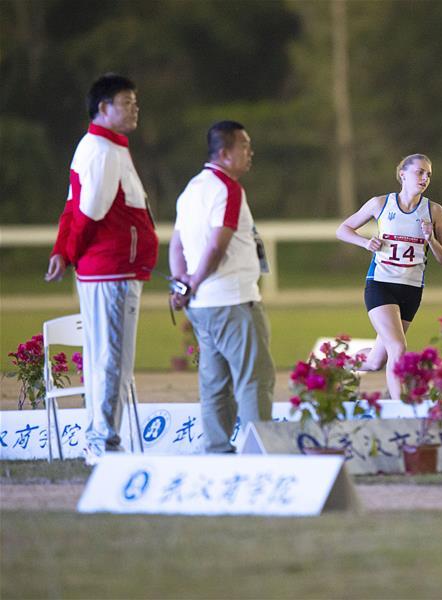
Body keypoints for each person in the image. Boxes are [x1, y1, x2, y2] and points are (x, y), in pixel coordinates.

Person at [45, 74, 158, 464]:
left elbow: (71, 208)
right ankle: (103, 442)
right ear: (103, 108)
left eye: (135, 101)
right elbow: (89, 211)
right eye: (127, 102)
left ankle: (97, 437)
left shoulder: (97, 146)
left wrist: (63, 251)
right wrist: (70, 252)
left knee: (100, 357)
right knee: (113, 360)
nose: (134, 108)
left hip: (105, 270)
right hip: (112, 270)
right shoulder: (105, 150)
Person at [168, 121, 275, 453]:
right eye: (245, 146)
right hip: (233, 300)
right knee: (254, 379)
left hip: (202, 306)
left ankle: (216, 450)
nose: (250, 153)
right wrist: (195, 281)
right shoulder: (227, 188)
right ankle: (260, 452)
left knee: (214, 383)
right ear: (225, 153)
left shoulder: (191, 189)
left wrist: (182, 285)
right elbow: (217, 245)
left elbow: (176, 244)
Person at [336, 154, 442, 400]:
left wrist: (430, 239)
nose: (424, 178)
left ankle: (334, 367)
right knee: (398, 347)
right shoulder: (381, 204)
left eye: (428, 174)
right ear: (403, 174)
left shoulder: (434, 211)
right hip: (381, 285)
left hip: (411, 290)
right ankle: (400, 406)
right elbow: (343, 229)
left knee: (376, 360)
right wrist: (366, 242)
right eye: (419, 172)